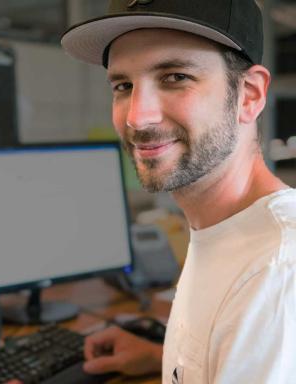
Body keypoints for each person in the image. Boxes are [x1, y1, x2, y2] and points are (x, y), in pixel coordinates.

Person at [61, 0, 296, 383]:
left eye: (175, 77)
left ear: (249, 95)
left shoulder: (276, 272)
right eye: (123, 86)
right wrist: (162, 359)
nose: (138, 116)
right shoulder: (226, 233)